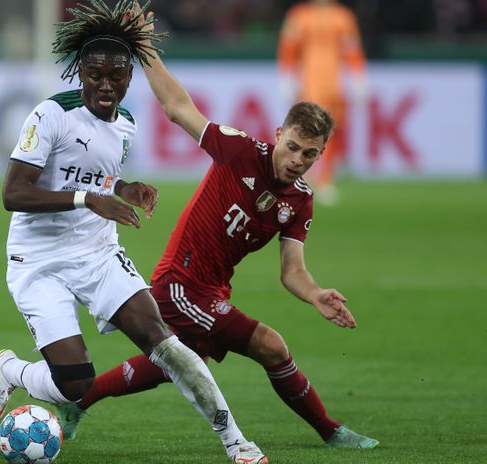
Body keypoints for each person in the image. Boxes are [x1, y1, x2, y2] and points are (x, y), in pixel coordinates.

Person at [56, 3, 379, 450]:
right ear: (279, 132)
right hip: (180, 284)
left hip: (212, 290)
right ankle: (330, 431)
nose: (297, 160)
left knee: (180, 361)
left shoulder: (300, 199)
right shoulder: (240, 151)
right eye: (293, 147)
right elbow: (176, 107)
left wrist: (316, 293)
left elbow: (292, 271)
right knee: (271, 345)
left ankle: (78, 401)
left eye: (309, 155)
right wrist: (145, 45)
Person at [0, 1, 268, 462]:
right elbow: (14, 193)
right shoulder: (50, 115)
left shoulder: (126, 125)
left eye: (116, 76)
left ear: (130, 76)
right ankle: (10, 370)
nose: (106, 85)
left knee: (165, 342)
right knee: (75, 386)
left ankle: (237, 443)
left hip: (97, 252)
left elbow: (97, 177)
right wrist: (89, 199)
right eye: (96, 75)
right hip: (39, 260)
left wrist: (125, 188)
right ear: (81, 72)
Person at [277, 0, 367, 205]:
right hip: (309, 81)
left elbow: (352, 49)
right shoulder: (300, 16)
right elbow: (288, 47)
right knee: (309, 130)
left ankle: (324, 177)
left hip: (334, 82)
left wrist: (358, 75)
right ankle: (302, 177)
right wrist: (287, 76)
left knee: (332, 130)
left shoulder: (343, 17)